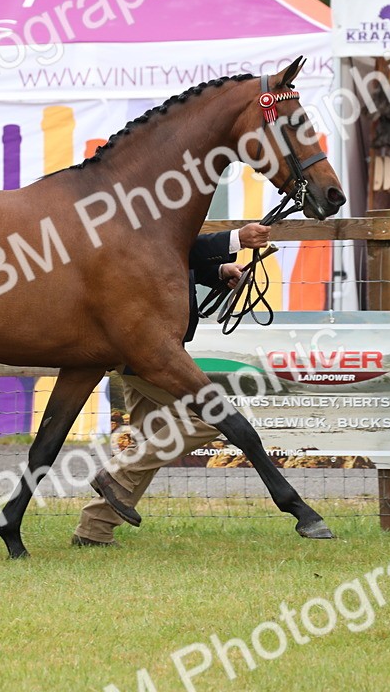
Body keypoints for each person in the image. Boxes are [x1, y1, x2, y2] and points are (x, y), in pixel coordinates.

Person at [72, 223, 271, 547]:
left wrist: (218, 271)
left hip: (147, 348)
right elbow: (167, 245)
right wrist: (236, 239)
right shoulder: (143, 210)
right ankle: (115, 474)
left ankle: (94, 528)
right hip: (147, 351)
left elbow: (176, 257)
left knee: (152, 439)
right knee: (209, 419)